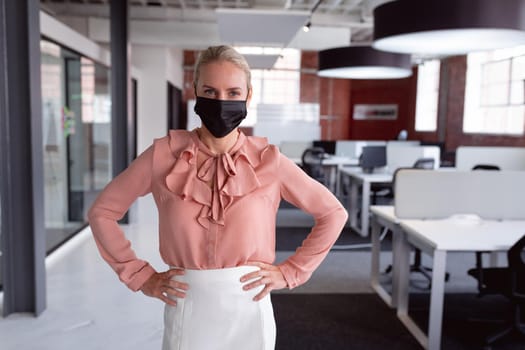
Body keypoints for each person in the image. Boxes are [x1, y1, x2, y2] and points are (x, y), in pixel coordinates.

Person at [88, 45, 348, 350]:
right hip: (188, 305)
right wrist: (140, 276)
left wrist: (291, 271)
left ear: (248, 95)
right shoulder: (163, 155)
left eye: (233, 92)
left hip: (251, 306)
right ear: (195, 90)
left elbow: (333, 213)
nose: (221, 102)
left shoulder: (270, 161)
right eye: (210, 91)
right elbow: (102, 212)